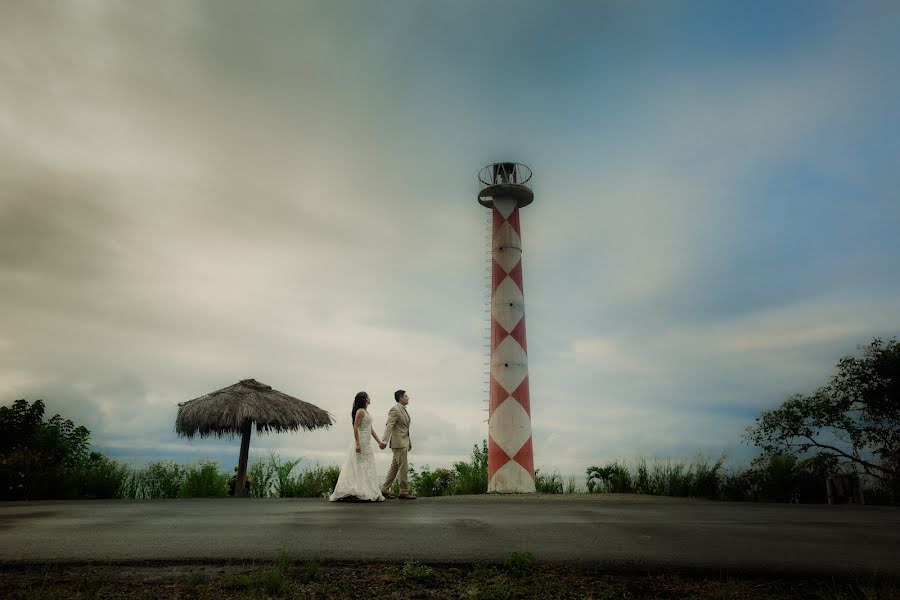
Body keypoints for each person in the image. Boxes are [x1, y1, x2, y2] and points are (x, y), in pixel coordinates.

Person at [329, 391, 387, 502]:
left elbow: (371, 429)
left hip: (367, 441)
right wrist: (357, 443)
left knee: (367, 464)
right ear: (365, 399)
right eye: (368, 397)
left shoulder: (366, 412)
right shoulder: (360, 411)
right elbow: (355, 427)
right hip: (361, 440)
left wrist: (379, 442)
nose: (370, 398)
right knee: (359, 464)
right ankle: (355, 490)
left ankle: (365, 489)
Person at [381, 389, 416, 500]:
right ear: (400, 398)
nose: (408, 398)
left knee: (394, 468)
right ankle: (403, 492)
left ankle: (384, 490)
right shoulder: (395, 410)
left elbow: (405, 429)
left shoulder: (404, 411)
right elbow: (389, 425)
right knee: (403, 468)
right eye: (406, 396)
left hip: (403, 443)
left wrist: (409, 442)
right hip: (398, 444)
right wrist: (384, 441)